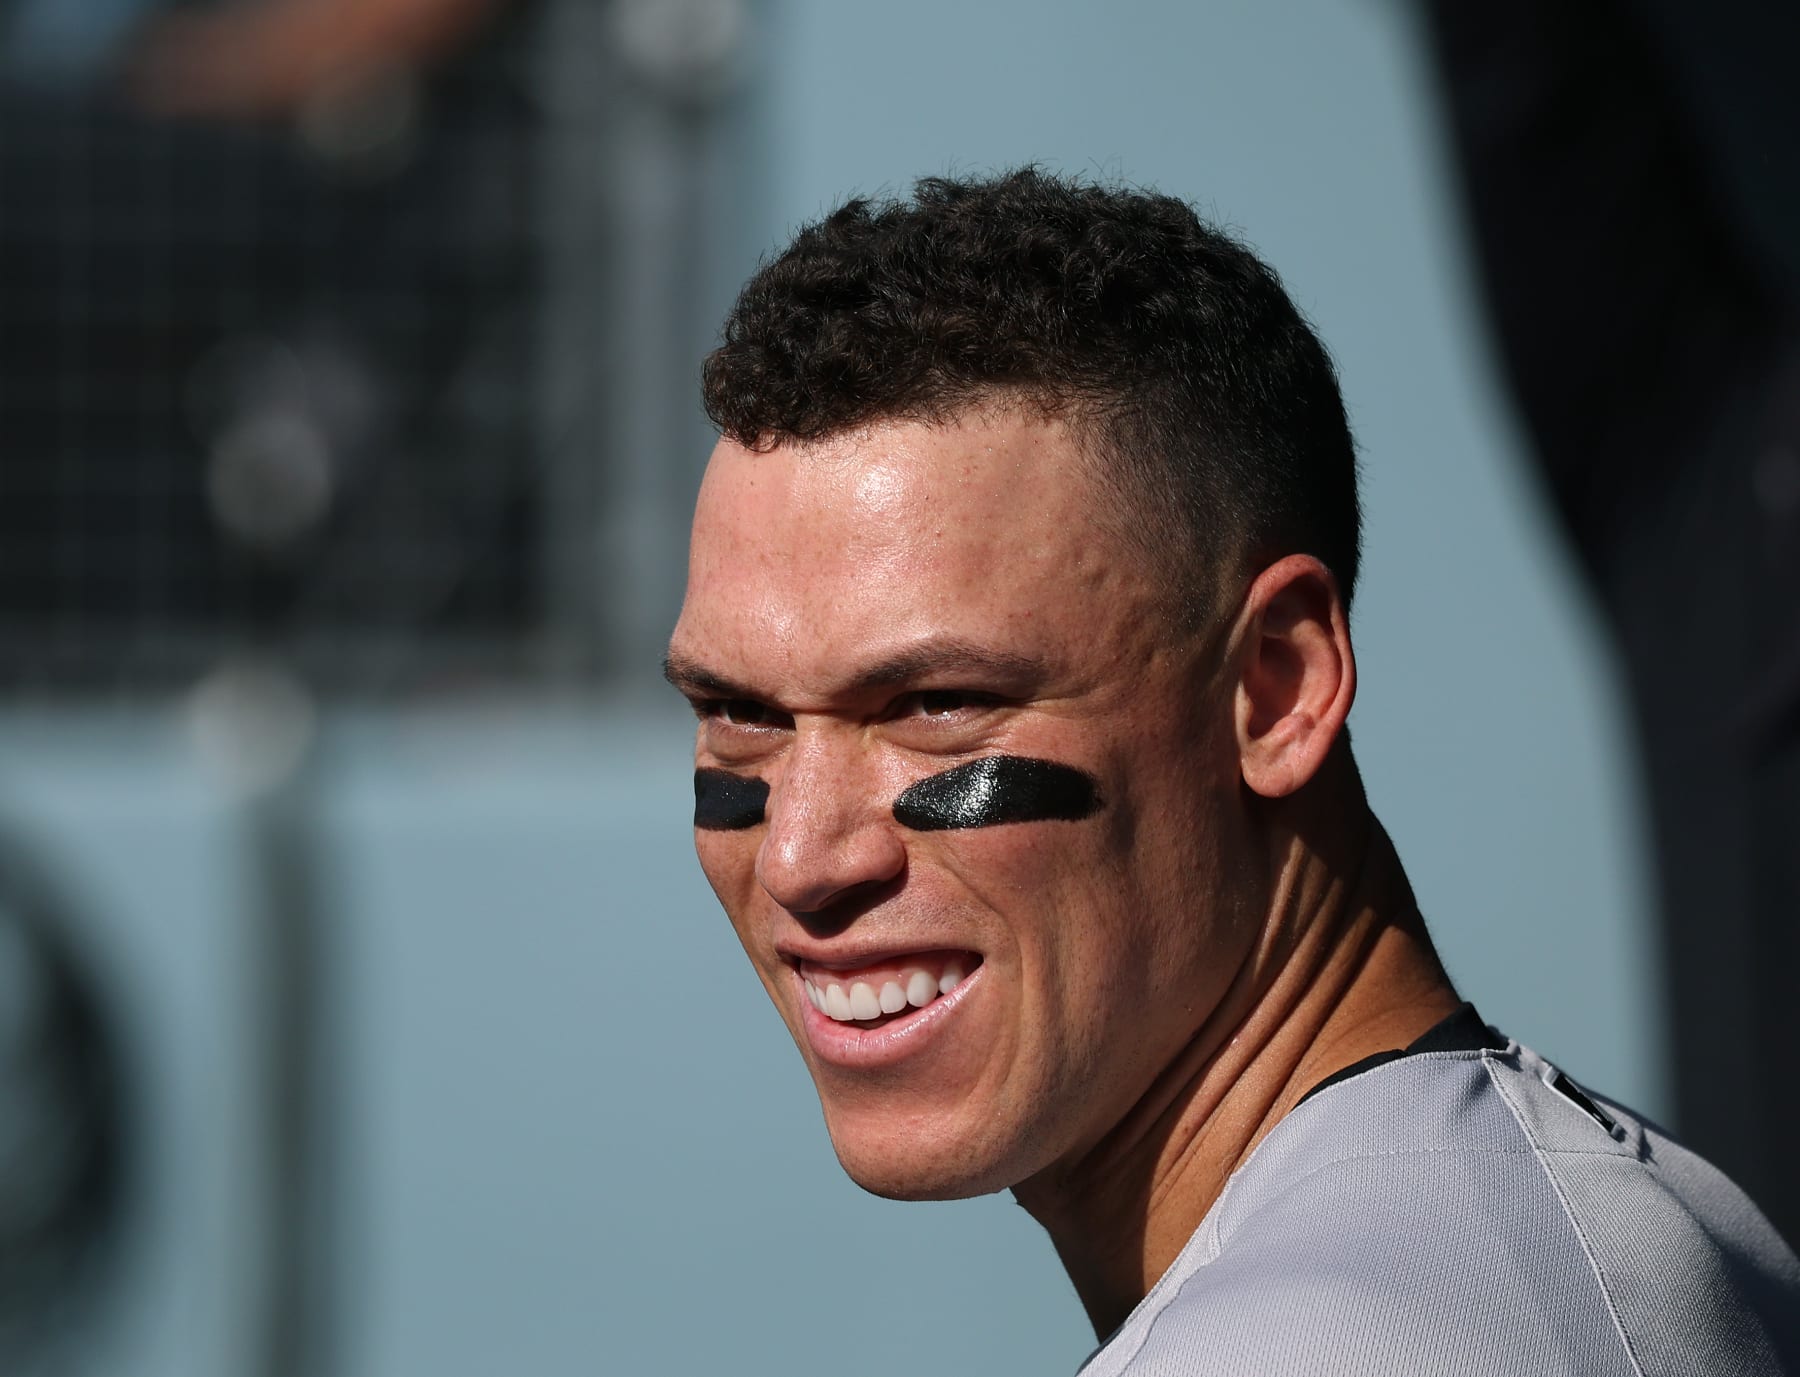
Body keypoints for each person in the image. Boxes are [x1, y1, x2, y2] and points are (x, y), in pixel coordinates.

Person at [663, 168, 1800, 1375]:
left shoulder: (1326, 1345)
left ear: (1277, 687)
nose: (801, 859)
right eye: (739, 714)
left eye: (938, 704)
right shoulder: (1657, 1222)